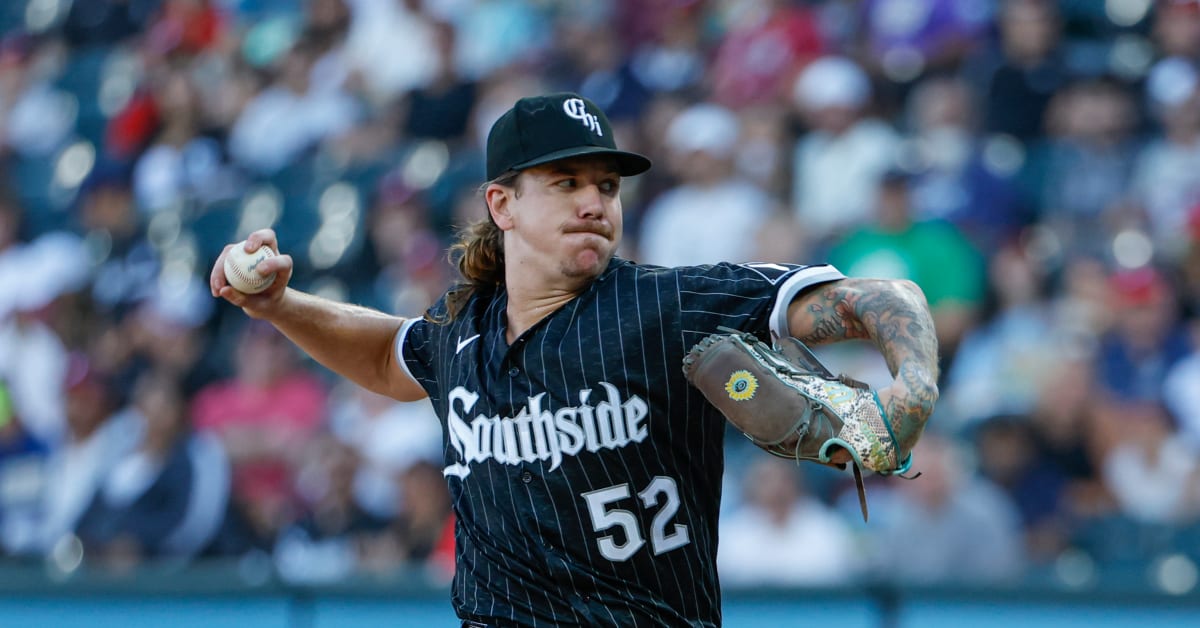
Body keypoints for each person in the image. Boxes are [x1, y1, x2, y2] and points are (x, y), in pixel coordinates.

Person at [210, 92, 940, 627]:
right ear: (503, 204)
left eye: (607, 186)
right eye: (567, 183)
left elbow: (881, 295)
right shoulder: (462, 333)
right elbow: (382, 352)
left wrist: (912, 383)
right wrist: (279, 306)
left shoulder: (668, 306)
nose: (595, 201)